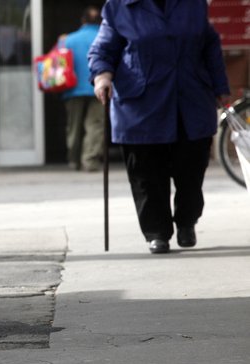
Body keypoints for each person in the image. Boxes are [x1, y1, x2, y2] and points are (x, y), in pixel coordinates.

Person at [89, 0, 230, 254]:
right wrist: (102, 76)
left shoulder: (193, 4)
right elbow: (102, 49)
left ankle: (187, 221)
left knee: (192, 169)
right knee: (146, 173)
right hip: (140, 104)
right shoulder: (120, 6)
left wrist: (220, 87)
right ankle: (157, 232)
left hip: (190, 98)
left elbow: (209, 44)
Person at [61, 6, 104, 172]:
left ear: (83, 20)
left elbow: (53, 65)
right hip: (99, 87)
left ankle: (74, 160)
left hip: (73, 89)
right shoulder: (105, 38)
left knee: (74, 126)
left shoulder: (68, 40)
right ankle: (90, 160)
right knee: (95, 125)